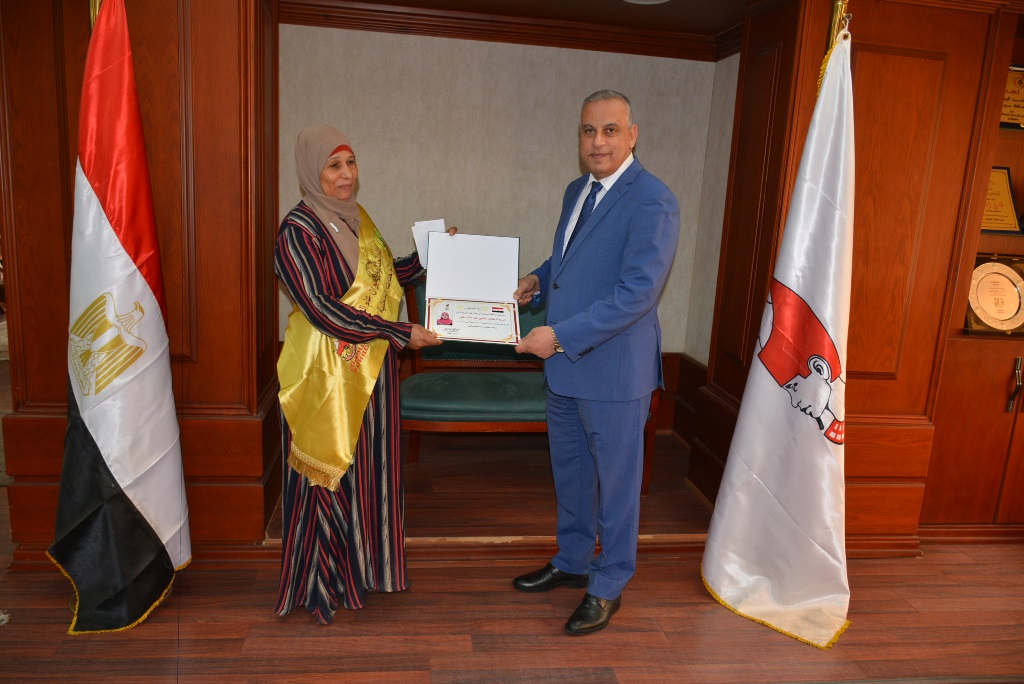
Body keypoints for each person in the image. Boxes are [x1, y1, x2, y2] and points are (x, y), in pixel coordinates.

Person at [512, 90, 680, 635]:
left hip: (614, 373)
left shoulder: (653, 199)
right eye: (589, 131)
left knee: (617, 486)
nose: (598, 141)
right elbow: (570, 258)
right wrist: (538, 278)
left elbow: (637, 293)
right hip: (565, 371)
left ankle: (609, 584)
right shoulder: (576, 190)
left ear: (632, 135)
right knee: (572, 476)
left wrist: (559, 335)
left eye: (610, 130)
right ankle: (572, 561)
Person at [274, 125, 446, 623]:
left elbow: (383, 276)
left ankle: (366, 571)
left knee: (371, 472)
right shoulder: (297, 231)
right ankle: (322, 583)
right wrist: (400, 332)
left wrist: (429, 259)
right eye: (333, 165)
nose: (346, 174)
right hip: (327, 377)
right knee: (330, 474)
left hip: (372, 369)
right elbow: (321, 307)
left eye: (350, 162)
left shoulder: (355, 219)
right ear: (312, 171)